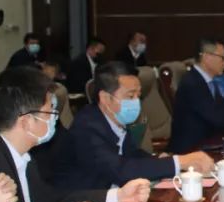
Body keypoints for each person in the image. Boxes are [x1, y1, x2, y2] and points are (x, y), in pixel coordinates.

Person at [0, 67, 152, 202]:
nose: (54, 119)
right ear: (26, 122)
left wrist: (119, 196)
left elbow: (54, 201)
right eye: (49, 113)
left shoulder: (25, 158)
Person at [57, 62, 213, 189]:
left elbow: (132, 155)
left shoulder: (116, 120)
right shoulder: (87, 128)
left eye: (139, 96)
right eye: (130, 96)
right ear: (105, 98)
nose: (136, 102)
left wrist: (160, 160)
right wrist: (179, 162)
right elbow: (121, 170)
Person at [167, 38, 224, 154]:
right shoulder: (193, 83)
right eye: (222, 58)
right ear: (207, 57)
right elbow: (218, 119)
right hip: (192, 150)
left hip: (211, 143)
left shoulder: (210, 82)